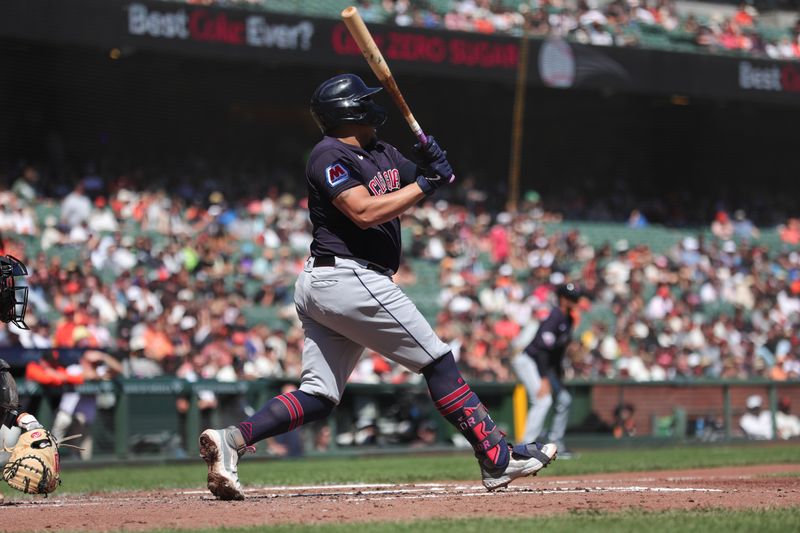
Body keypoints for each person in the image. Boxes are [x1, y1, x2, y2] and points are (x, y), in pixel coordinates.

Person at [199, 73, 557, 500]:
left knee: (319, 395)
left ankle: (232, 441)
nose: (373, 105)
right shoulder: (327, 154)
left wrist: (433, 165)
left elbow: (428, 181)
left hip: (334, 282)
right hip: (346, 276)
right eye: (364, 101)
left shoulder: (381, 151)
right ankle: (496, 456)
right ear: (349, 111)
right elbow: (364, 211)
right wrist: (425, 182)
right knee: (438, 362)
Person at [511, 283, 581, 457]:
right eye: (572, 297)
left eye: (577, 297)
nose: (576, 300)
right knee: (543, 400)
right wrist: (544, 378)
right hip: (529, 360)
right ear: (563, 299)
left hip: (544, 365)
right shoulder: (554, 316)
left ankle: (557, 444)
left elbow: (556, 354)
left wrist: (556, 376)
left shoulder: (568, 319)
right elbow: (542, 350)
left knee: (564, 399)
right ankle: (525, 447)